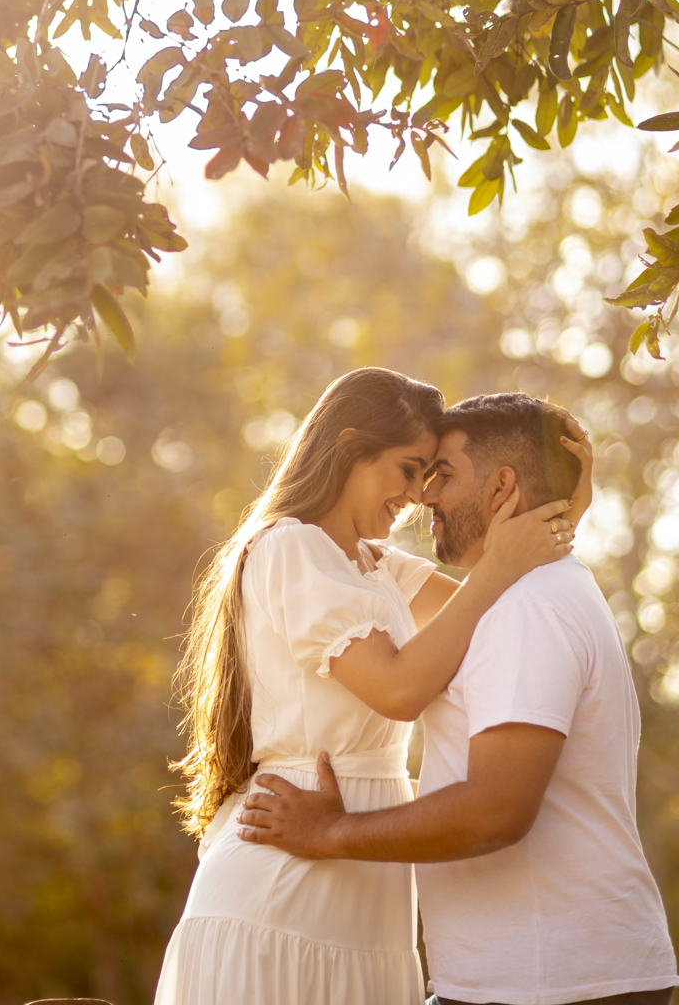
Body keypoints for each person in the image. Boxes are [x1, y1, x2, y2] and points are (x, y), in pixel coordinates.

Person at [238, 392, 679, 1005]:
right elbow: (459, 611)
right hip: (528, 976)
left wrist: (333, 832)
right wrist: (555, 517)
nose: (424, 497)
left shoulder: (529, 609)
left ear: (500, 489)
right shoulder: (514, 598)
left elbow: (496, 810)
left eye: (440, 475)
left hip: (555, 982)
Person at [154, 370, 580, 1005]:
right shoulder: (289, 549)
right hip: (282, 892)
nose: (416, 495)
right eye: (409, 469)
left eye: (431, 475)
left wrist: (572, 503)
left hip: (366, 900)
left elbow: (510, 605)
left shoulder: (375, 566)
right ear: (352, 448)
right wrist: (496, 568)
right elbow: (400, 689)